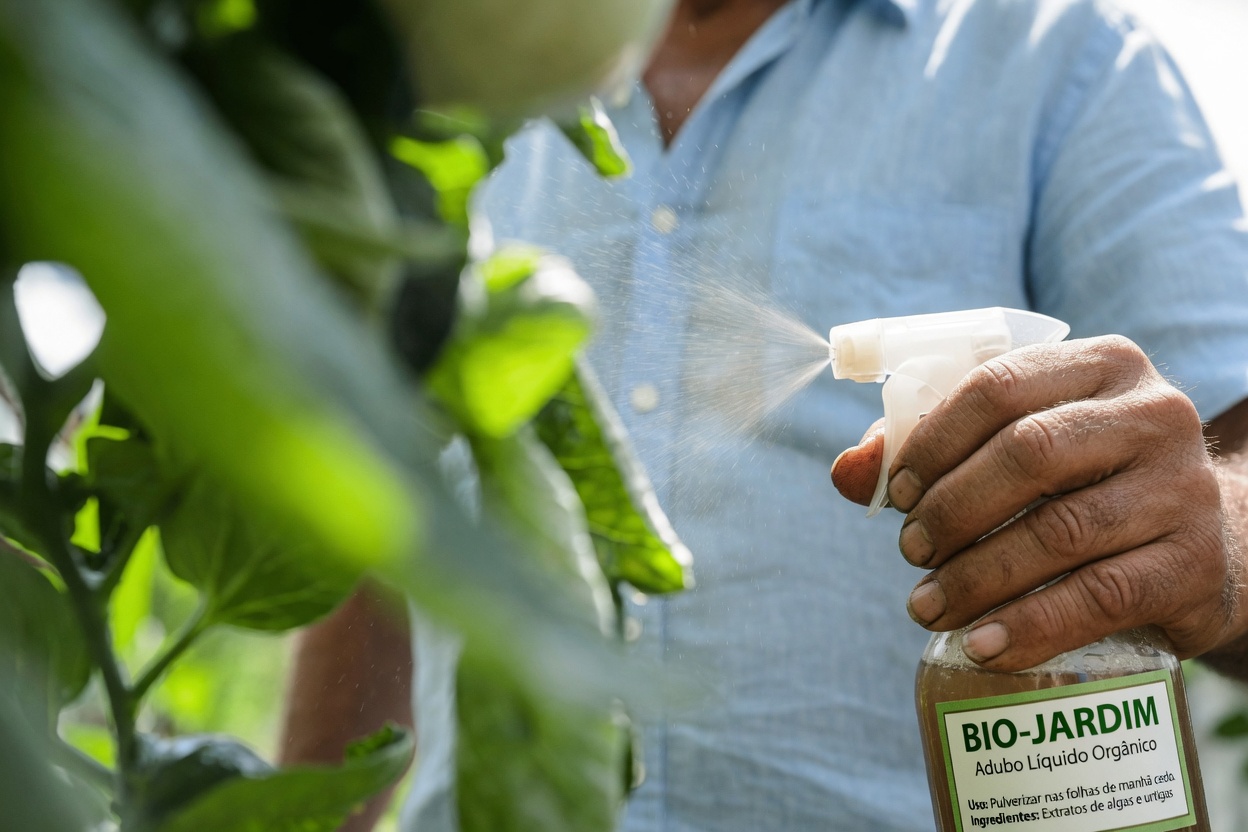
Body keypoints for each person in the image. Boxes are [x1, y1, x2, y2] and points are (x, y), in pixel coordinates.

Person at [282, 0, 1248, 830]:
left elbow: (1228, 479)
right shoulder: (442, 84)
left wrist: (1217, 541)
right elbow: (375, 549)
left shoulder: (1057, 54)